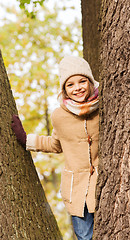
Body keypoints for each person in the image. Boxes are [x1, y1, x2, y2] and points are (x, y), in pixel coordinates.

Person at [11, 56, 99, 240]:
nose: (78, 88)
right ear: (64, 89)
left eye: (82, 81)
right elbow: (55, 144)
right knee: (85, 237)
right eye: (70, 84)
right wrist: (26, 139)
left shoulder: (104, 107)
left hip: (103, 184)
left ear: (91, 82)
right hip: (77, 189)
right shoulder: (60, 115)